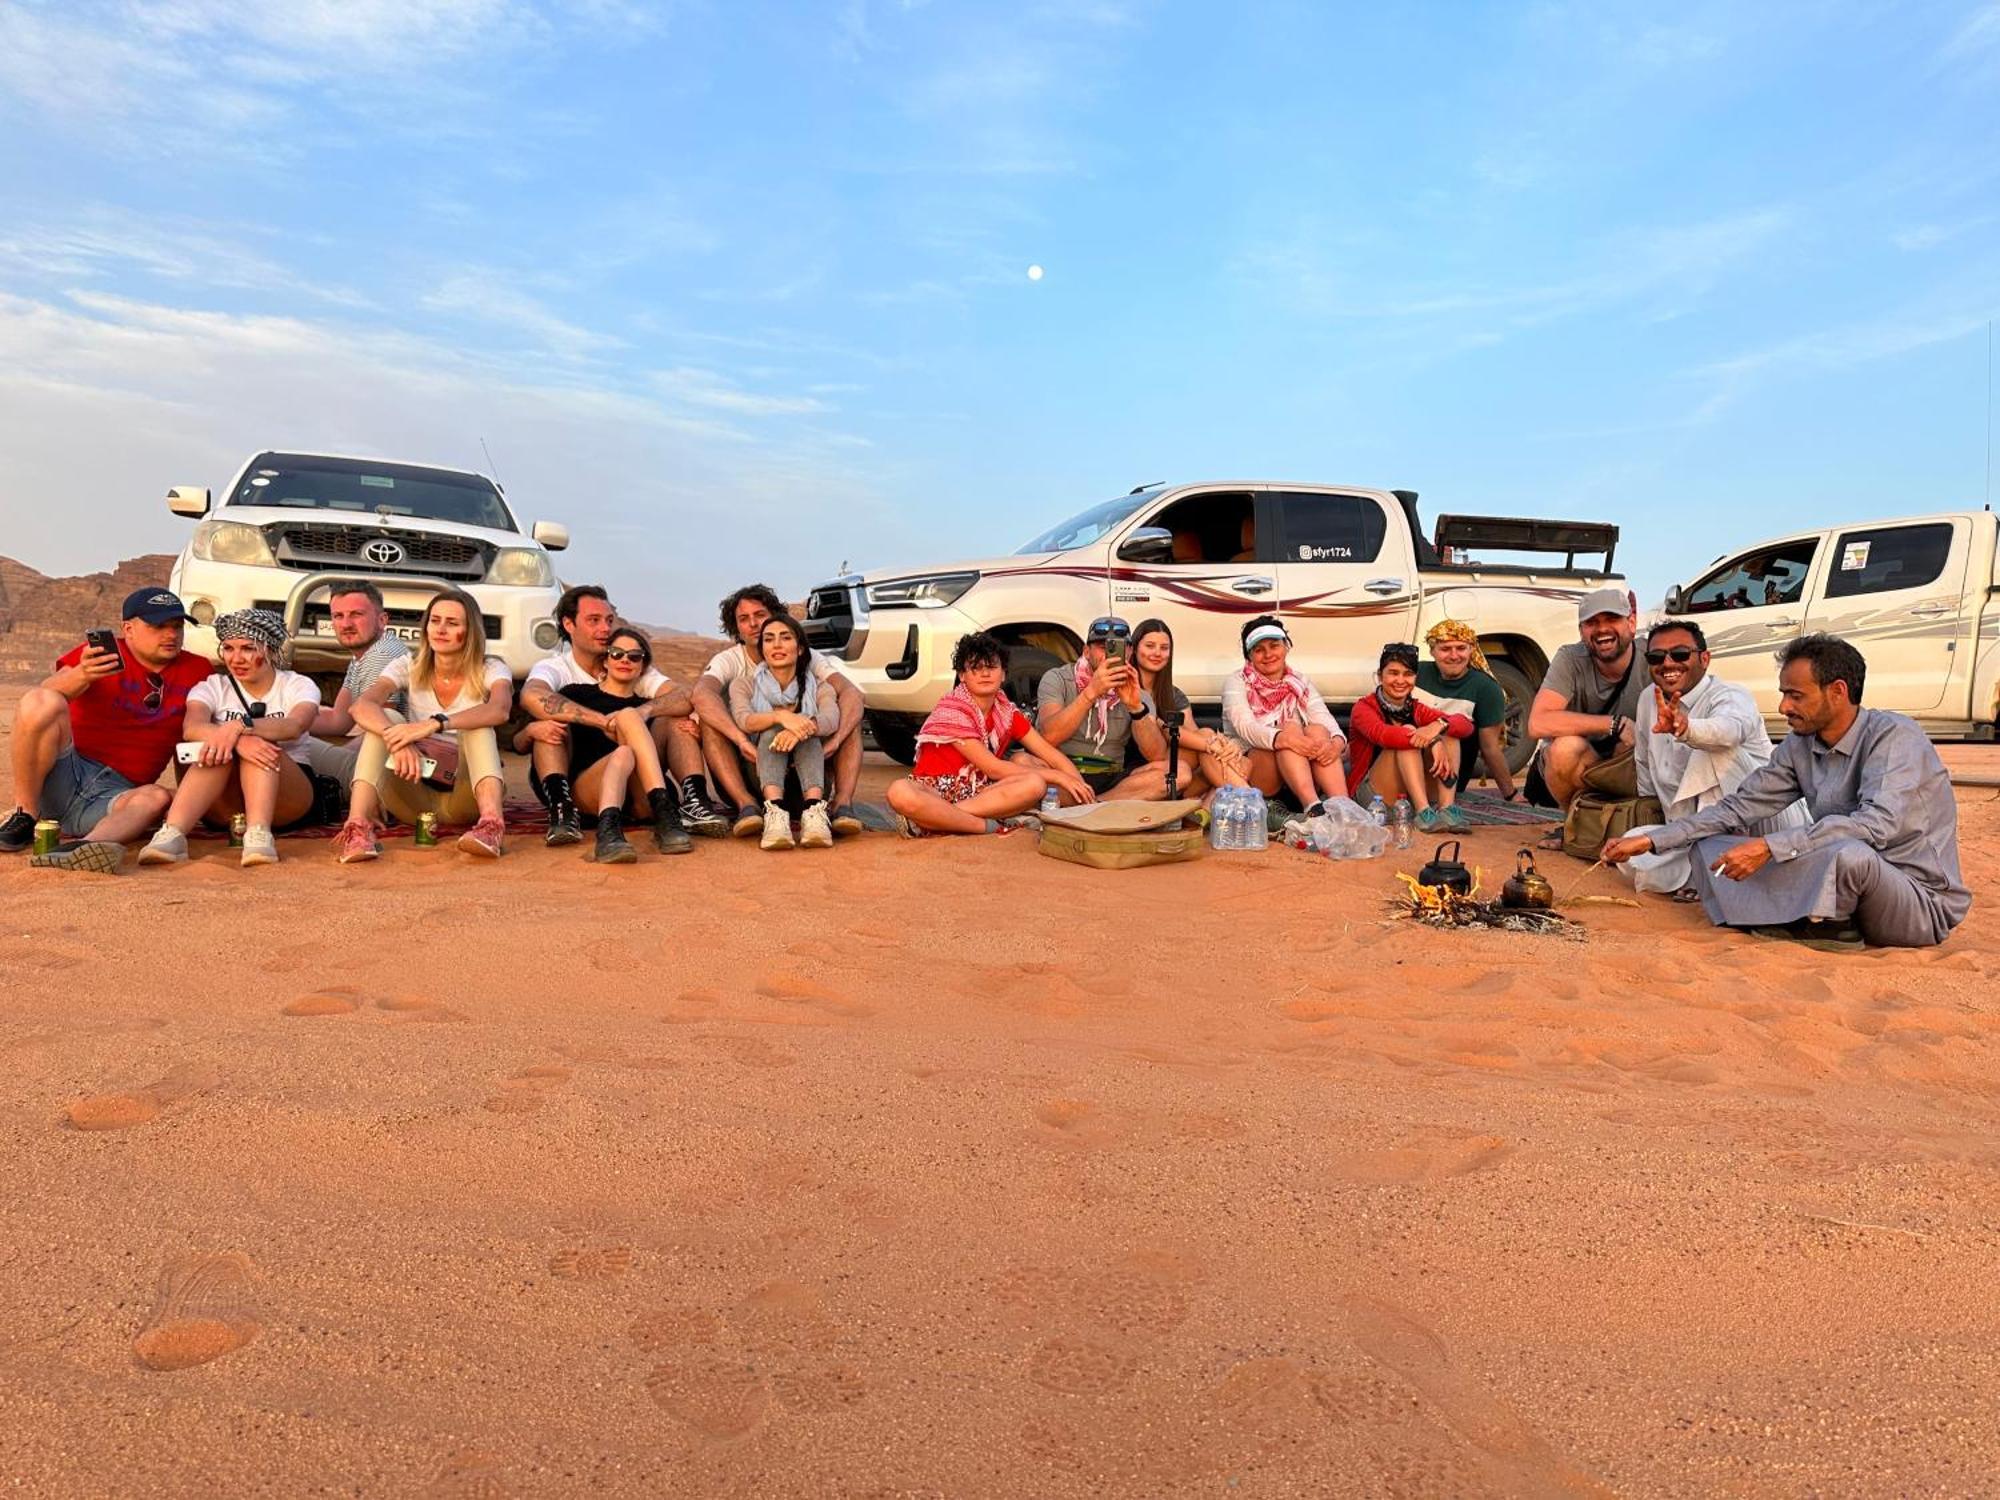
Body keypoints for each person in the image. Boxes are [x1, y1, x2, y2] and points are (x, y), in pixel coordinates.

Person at [1601, 635, 1970, 949]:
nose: (1783, 707)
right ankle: (1809, 918)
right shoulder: (1800, 744)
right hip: (1834, 870)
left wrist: (1768, 847)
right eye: (1783, 694)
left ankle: (1815, 921)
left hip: (1915, 900)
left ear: (1838, 691)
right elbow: (1739, 807)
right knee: (1710, 846)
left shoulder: (1895, 736)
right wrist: (1653, 841)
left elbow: (1876, 827)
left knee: (1850, 855)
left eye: (1795, 696)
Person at [2, 588, 208, 872]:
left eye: (176, 626)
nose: (171, 635)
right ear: (129, 629)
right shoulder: (101, 655)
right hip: (64, 774)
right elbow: (43, 697)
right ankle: (25, 815)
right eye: (158, 626)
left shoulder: (197, 669)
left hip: (115, 795)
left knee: (156, 797)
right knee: (41, 700)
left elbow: (194, 736)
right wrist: (82, 674)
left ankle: (81, 848)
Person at [1616, 619, 1806, 899]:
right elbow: (1644, 765)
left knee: (1715, 752)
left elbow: (1729, 731)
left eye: (1680, 654)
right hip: (1690, 831)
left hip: (1764, 825)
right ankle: (1704, 865)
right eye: (1656, 657)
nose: (1668, 663)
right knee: (1632, 851)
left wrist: (1687, 729)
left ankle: (1710, 872)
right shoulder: (1649, 699)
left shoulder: (1730, 694)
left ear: (1704, 659)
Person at [518, 584, 713, 845]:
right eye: (594, 620)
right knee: (549, 722)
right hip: (585, 780)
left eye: (609, 620)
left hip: (634, 779)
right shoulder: (557, 670)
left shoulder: (628, 667)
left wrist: (644, 710)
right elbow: (532, 696)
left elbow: (684, 696)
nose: (604, 629)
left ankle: (695, 802)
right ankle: (563, 810)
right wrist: (601, 721)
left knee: (672, 719)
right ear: (568, 624)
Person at [331, 589, 514, 862]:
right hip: (413, 788)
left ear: (470, 630)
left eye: (452, 623)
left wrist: (435, 724)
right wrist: (397, 739)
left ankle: (490, 826)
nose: (440, 629)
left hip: (464, 793)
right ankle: (357, 829)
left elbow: (499, 710)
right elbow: (361, 706)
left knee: (478, 724)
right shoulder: (408, 665)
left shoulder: (490, 668)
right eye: (435, 620)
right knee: (387, 719)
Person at [136, 610, 322, 867]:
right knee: (219, 749)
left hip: (286, 794)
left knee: (260, 745)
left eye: (248, 648)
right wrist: (237, 740)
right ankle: (173, 834)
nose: (236, 659)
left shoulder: (297, 684)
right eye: (228, 648)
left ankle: (259, 835)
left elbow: (294, 726)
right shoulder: (212, 686)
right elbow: (192, 728)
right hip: (225, 803)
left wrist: (241, 727)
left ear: (269, 649)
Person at [692, 585, 865, 838]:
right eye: (743, 619)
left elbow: (852, 694)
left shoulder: (808, 660)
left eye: (760, 615)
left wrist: (831, 739)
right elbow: (701, 694)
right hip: (754, 762)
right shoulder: (732, 663)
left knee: (850, 714)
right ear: (736, 627)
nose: (753, 624)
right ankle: (747, 806)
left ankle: (841, 805)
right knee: (711, 720)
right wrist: (741, 740)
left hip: (809, 761)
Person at [885, 632, 1090, 836]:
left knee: (1033, 780)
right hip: (936, 791)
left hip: (979, 794)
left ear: (1003, 674)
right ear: (962, 675)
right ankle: (984, 826)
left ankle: (933, 820)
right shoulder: (953, 710)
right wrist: (1058, 777)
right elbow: (993, 768)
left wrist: (1079, 787)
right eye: (976, 668)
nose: (985, 674)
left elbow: (1049, 753)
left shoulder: (1006, 712)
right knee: (899, 791)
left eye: (991, 667)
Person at [1524, 587, 1647, 843]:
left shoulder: (1652, 656)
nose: (1602, 629)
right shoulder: (1570, 657)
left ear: (1632, 623)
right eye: (1591, 622)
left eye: (1611, 619)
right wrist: (1614, 725)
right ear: (1581, 631)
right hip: (1588, 762)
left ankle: (1638, 825)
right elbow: (1537, 723)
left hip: (1636, 762)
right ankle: (1576, 825)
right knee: (1563, 749)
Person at [1034, 616, 1181, 803]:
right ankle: (1096, 804)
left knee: (1179, 772)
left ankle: (1097, 803)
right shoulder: (1058, 678)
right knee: (1022, 762)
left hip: (1113, 778)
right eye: (1103, 648)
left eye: (1117, 648)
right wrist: (1090, 693)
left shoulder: (1137, 692)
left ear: (1129, 652)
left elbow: (1156, 755)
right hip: (1064, 773)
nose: (1109, 656)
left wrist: (1136, 708)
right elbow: (1049, 736)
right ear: (1086, 652)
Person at [727, 614, 838, 850]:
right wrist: (781, 717)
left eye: (785, 638)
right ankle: (774, 814)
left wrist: (800, 729)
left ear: (799, 649)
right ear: (763, 650)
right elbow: (744, 720)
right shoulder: (744, 684)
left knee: (807, 731)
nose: (776, 645)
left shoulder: (819, 686)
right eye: (768, 640)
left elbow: (831, 718)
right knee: (773, 731)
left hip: (808, 783)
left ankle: (814, 814)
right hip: (759, 778)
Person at [1219, 616, 1348, 814]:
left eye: (1274, 646)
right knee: (1289, 728)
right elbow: (1246, 728)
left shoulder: (1299, 680)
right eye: (1259, 650)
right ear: (1249, 656)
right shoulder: (1236, 682)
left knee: (1317, 730)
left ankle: (1343, 806)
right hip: (1261, 775)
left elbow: (1324, 717)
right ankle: (1312, 806)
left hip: (1299, 768)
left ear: (1286, 647)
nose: (1268, 654)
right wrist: (1283, 738)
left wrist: (1336, 744)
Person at [1347, 642, 1474, 831]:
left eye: (1408, 674)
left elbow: (1466, 726)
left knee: (1449, 733)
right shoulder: (1364, 707)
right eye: (1393, 673)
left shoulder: (1415, 707)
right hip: (1374, 798)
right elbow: (1385, 736)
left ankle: (1447, 809)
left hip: (1406, 795)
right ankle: (1423, 812)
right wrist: (1433, 740)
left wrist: (1440, 726)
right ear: (1380, 676)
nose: (1400, 680)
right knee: (1408, 733)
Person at [301, 579, 409, 794]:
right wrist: (287, 718)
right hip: (378, 763)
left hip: (386, 772)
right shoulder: (364, 653)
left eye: (356, 615)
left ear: (382, 620)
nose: (346, 624)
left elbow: (385, 728)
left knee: (274, 745)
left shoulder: (381, 655)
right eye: (338, 616)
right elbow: (337, 721)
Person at [1128, 618, 1249, 798]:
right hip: (1143, 770)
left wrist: (1219, 745)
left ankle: (1206, 812)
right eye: (1150, 646)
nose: (1157, 653)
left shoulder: (1174, 694)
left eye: (1164, 648)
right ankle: (1253, 801)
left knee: (1241, 762)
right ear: (1135, 648)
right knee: (1210, 742)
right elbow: (1170, 735)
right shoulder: (1128, 689)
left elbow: (1191, 732)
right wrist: (1212, 744)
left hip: (1178, 771)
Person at [1416, 620, 1519, 802]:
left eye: (1461, 648)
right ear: (1432, 651)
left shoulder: (1486, 687)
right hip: (1413, 757)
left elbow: (1490, 748)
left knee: (1448, 733)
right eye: (1446, 649)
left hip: (1451, 767)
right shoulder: (1416, 673)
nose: (1454, 656)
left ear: (1471, 650)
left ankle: (1445, 807)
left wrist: (1510, 793)